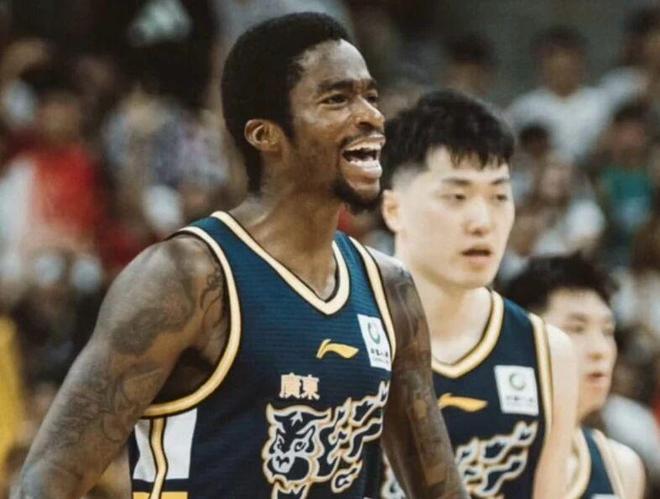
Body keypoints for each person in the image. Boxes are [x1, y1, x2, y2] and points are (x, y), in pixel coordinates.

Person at [12, 13, 466, 499]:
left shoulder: (390, 289)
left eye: (370, 97)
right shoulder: (186, 277)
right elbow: (45, 483)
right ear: (265, 135)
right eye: (337, 99)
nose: (371, 116)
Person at [379, 90, 578, 498]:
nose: (482, 221)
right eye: (457, 196)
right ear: (394, 209)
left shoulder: (548, 352)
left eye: (499, 196)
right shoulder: (343, 333)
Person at [506, 253, 646, 499]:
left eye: (607, 331)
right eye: (577, 328)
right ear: (523, 339)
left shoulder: (621, 467)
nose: (600, 350)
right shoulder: (488, 455)